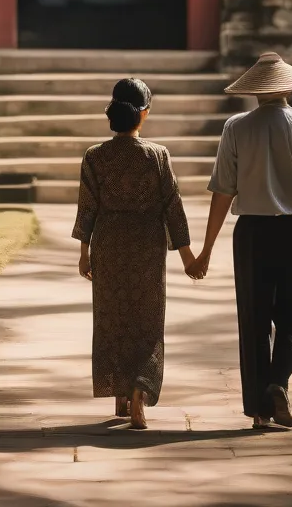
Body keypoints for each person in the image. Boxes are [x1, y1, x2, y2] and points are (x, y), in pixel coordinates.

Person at [188, 52, 292, 430]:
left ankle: (259, 409)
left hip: (253, 233)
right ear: (288, 88)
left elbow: (222, 193)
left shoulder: (236, 128)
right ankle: (278, 383)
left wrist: (206, 249)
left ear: (254, 92)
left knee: (254, 321)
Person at [73, 77, 197, 430]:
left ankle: (122, 394)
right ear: (143, 114)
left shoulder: (95, 156)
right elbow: (173, 207)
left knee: (113, 318)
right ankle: (141, 392)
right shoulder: (157, 155)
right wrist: (188, 257)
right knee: (147, 320)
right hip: (146, 247)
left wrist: (84, 253)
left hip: (108, 245)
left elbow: (87, 208)